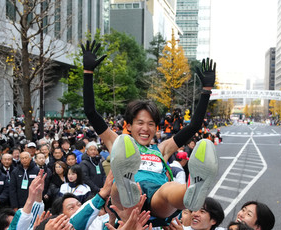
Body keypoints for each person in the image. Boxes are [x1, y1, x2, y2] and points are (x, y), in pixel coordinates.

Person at [82, 40, 218, 219]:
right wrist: (88, 73)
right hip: (125, 201)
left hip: (155, 200)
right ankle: (126, 183)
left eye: (151, 124)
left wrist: (206, 90)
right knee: (118, 187)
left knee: (169, 190)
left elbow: (193, 126)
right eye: (140, 123)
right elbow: (91, 112)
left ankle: (193, 191)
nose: (145, 128)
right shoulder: (118, 143)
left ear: (156, 128)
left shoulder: (162, 149)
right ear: (129, 126)